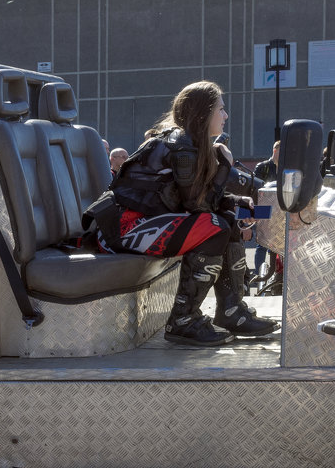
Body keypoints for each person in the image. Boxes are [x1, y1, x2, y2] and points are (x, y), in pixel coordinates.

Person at [99, 80, 276, 346]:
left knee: (225, 220)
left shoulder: (190, 143)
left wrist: (238, 202)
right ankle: (184, 320)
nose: (225, 116)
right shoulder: (180, 144)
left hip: (144, 222)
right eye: (221, 109)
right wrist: (224, 168)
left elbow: (197, 198)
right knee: (214, 225)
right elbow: (198, 206)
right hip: (122, 228)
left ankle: (231, 311)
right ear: (202, 113)